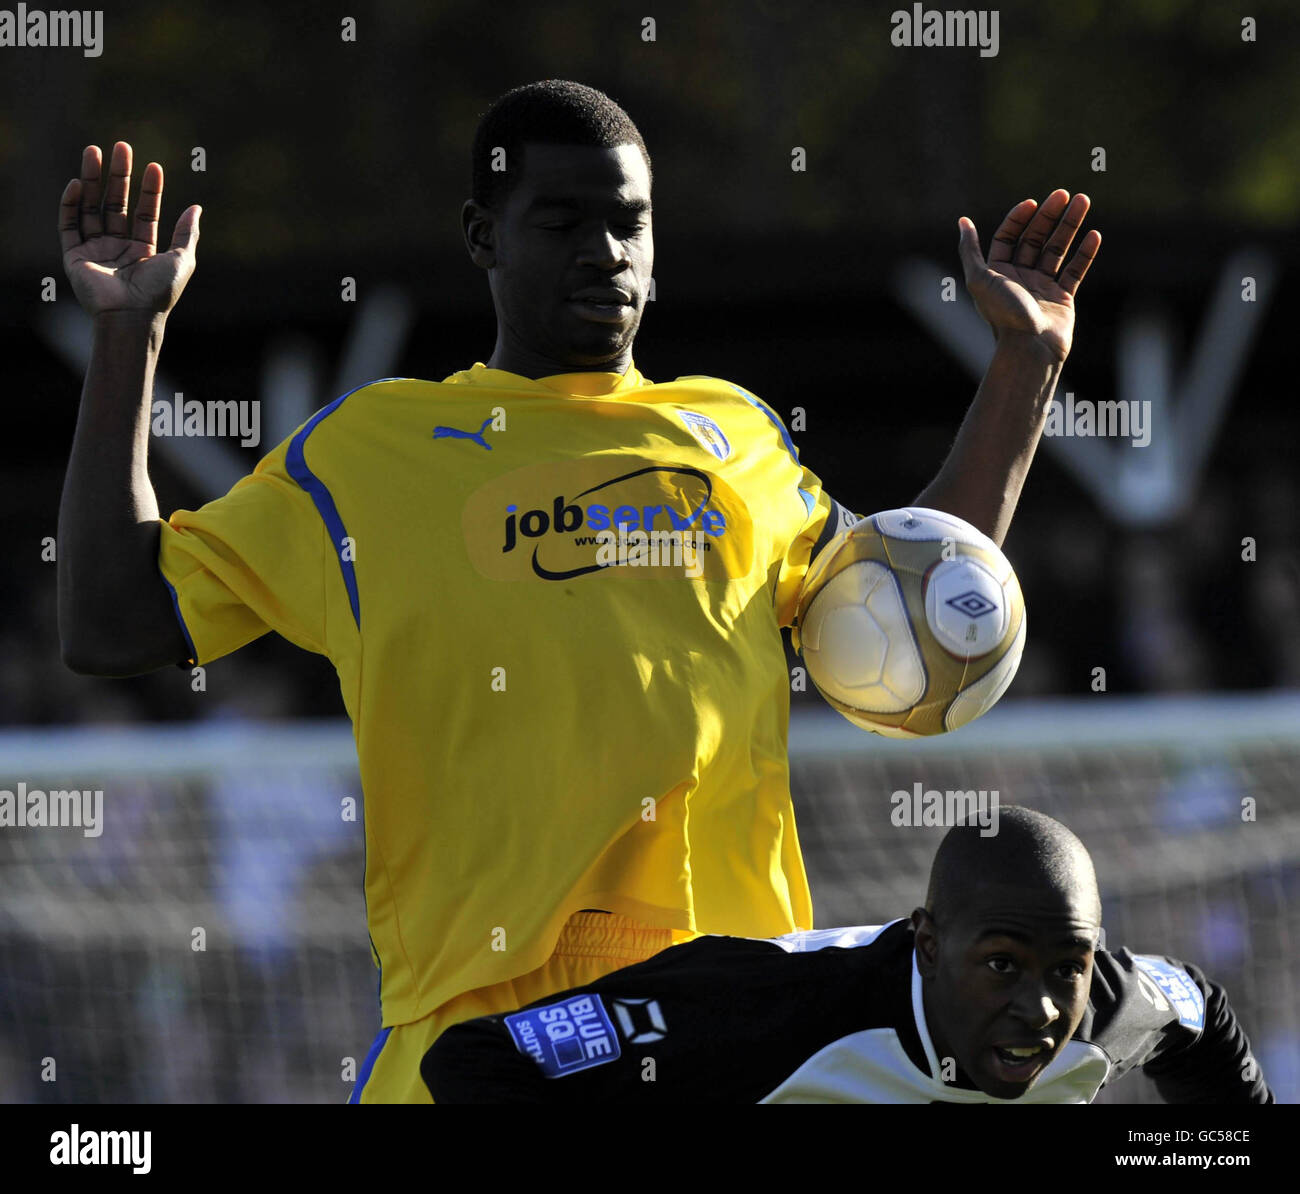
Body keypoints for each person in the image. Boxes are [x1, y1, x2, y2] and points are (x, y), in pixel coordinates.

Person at [55, 81, 1100, 1103]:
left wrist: (1022, 364)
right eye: (563, 222)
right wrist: (126, 336)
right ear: (483, 236)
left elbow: (925, 608)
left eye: (629, 224)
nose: (606, 253)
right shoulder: (366, 453)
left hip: (731, 1020)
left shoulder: (734, 434)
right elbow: (111, 624)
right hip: (480, 1042)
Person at [424, 806, 1273, 1103]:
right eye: (1003, 965)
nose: (1043, 1007)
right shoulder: (759, 1004)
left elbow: (1201, 1012)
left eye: (1067, 968)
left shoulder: (1117, 1006)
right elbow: (476, 1060)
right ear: (929, 945)